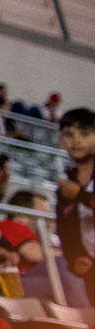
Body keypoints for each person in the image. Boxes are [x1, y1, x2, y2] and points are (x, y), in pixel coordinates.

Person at [58, 107, 95, 305]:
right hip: (88, 270)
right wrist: (74, 257)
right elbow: (64, 229)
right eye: (69, 135)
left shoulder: (72, 190)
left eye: (84, 134)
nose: (76, 140)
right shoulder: (67, 183)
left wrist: (81, 196)